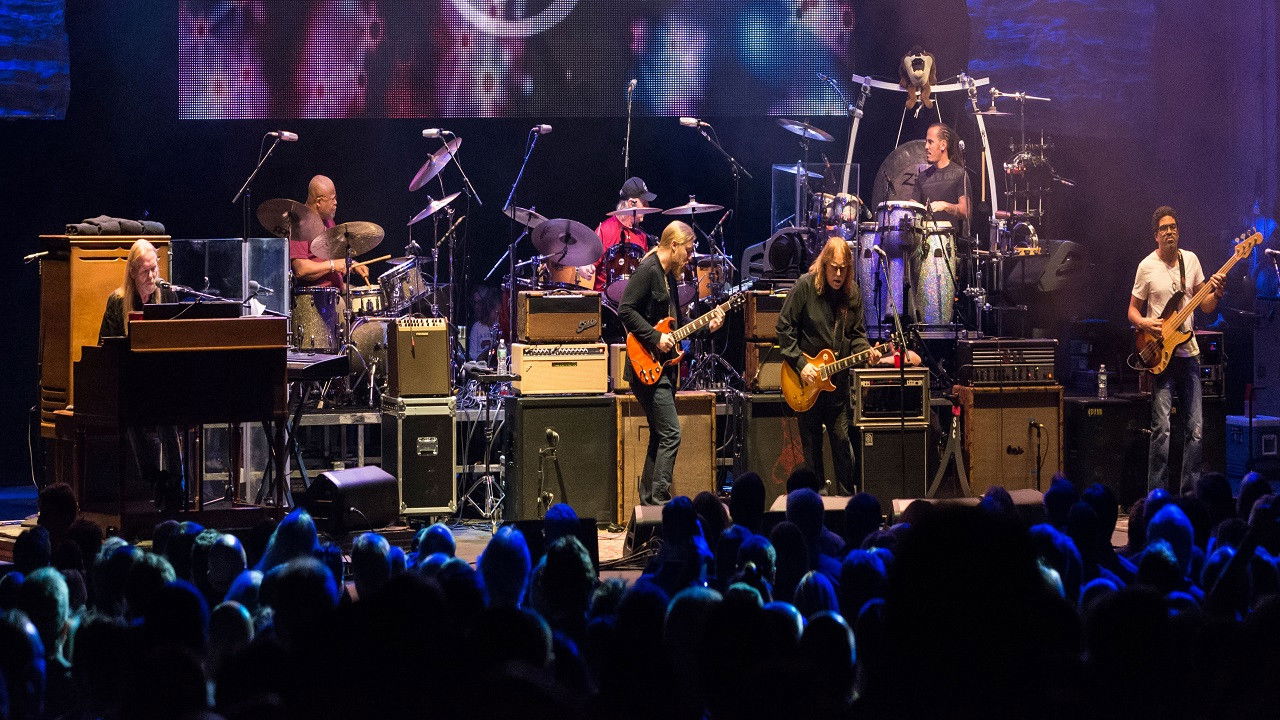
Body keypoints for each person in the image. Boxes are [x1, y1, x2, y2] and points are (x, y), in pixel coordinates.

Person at [618, 221, 724, 505]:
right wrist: (654, 337)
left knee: (659, 434)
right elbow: (625, 309)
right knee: (672, 433)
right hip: (646, 365)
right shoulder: (649, 270)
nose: (690, 257)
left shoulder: (669, 276)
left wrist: (708, 326)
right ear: (674, 245)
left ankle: (648, 500)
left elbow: (678, 328)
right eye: (688, 250)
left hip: (662, 366)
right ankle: (660, 498)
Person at [1128, 206, 1225, 494]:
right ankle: (1157, 496)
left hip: (1189, 354)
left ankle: (1189, 495)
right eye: (1163, 228)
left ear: (1178, 232)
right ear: (1155, 236)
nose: (1169, 232)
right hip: (1161, 355)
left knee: (1195, 430)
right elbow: (1132, 311)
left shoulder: (1191, 261)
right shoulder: (1146, 267)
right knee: (1162, 430)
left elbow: (1204, 306)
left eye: (1173, 227)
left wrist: (1216, 292)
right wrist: (1147, 322)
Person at [776, 237, 880, 495]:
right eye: (834, 267)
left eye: (844, 268)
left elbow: (856, 334)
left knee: (842, 442)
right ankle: (815, 501)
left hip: (837, 386)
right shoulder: (805, 286)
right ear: (824, 264)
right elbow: (783, 327)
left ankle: (846, 498)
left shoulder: (852, 293)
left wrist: (865, 352)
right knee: (811, 448)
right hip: (806, 382)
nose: (838, 274)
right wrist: (801, 364)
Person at [289, 175, 368, 289]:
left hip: (336, 289)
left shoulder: (328, 221)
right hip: (316, 296)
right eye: (332, 198)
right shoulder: (300, 225)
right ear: (319, 202)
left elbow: (335, 259)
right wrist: (332, 265)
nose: (336, 203)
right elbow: (301, 269)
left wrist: (353, 264)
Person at [98, 238, 178, 340]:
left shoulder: (168, 295)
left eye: (153, 269)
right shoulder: (117, 301)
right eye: (145, 271)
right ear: (132, 272)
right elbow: (105, 346)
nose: (150, 276)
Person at [592, 176, 657, 293]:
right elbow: (589, 265)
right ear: (632, 203)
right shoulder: (605, 229)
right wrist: (585, 267)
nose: (648, 207)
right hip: (605, 301)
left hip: (634, 299)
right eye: (644, 202)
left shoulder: (642, 236)